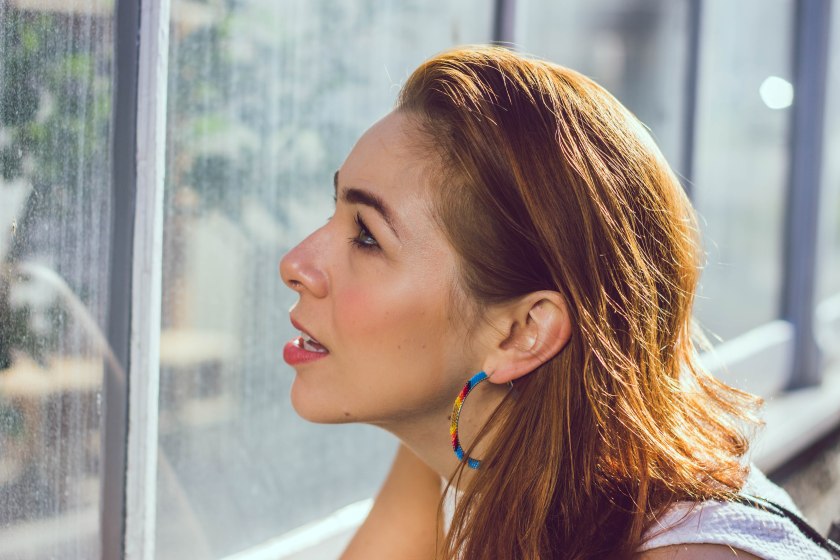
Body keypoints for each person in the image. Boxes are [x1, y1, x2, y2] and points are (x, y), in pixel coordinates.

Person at [279, 46, 830, 559]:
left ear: (523, 332)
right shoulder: (461, 448)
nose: (295, 264)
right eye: (335, 212)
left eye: (367, 236)